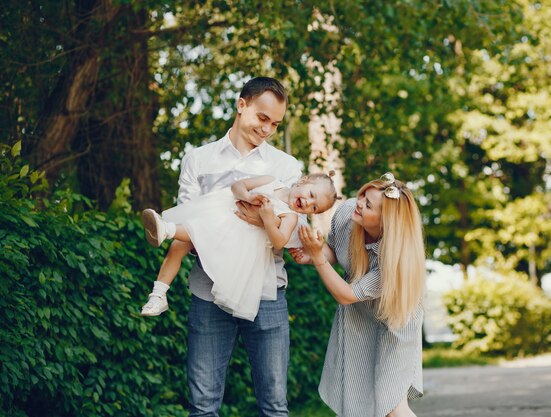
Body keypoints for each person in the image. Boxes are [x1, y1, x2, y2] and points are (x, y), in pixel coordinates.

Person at [160, 77, 300, 416]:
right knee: (203, 405)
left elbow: (293, 234)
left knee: (275, 406)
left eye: (275, 124)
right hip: (208, 292)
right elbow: (187, 221)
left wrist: (260, 221)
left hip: (268, 293)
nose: (267, 129)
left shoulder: (286, 167)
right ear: (242, 105)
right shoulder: (199, 160)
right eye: (262, 118)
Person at [289, 172, 426, 417]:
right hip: (360, 319)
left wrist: (318, 258)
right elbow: (337, 251)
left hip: (395, 322)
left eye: (368, 204)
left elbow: (346, 295)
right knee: (358, 396)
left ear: (385, 222)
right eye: (363, 195)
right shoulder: (347, 213)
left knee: (392, 404)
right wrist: (315, 255)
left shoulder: (394, 260)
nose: (359, 202)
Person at [139, 172, 337, 321]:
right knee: (178, 246)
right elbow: (238, 185)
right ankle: (158, 295)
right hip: (224, 215)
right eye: (311, 194)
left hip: (237, 245)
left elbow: (280, 241)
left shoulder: (291, 216)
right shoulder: (271, 181)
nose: (308, 202)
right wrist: (248, 196)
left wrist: (268, 219)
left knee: (197, 230)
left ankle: (166, 229)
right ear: (303, 181)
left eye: (314, 207)